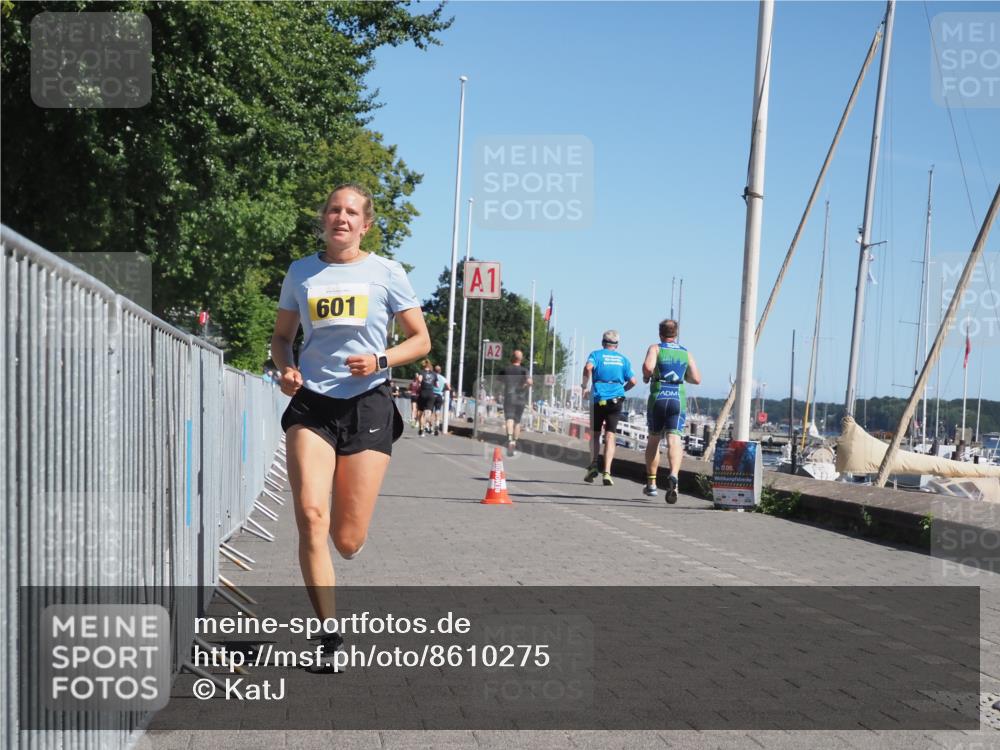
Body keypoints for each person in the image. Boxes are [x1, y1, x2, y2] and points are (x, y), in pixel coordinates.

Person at [270, 183, 430, 672]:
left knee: (347, 539)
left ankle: (348, 539)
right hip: (312, 405)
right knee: (311, 517)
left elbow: (420, 339)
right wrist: (285, 367)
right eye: (334, 209)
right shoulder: (302, 271)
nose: (341, 218)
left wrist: (381, 357)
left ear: (366, 224)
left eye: (352, 212)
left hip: (367, 405)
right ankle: (328, 636)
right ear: (324, 218)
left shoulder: (386, 273)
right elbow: (281, 337)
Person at [642, 319, 701, 502]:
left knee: (654, 441)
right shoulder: (686, 353)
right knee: (674, 440)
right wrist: (684, 378)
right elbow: (697, 379)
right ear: (676, 334)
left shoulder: (656, 348)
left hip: (659, 397)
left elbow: (648, 367)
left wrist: (647, 377)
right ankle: (674, 475)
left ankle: (651, 485)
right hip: (677, 398)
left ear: (661, 334)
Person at [581, 330, 636, 485]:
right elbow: (633, 381)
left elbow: (588, 367)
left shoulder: (596, 355)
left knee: (595, 434)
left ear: (602, 342)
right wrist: (621, 390)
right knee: (611, 435)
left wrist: (584, 386)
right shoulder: (623, 360)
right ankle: (607, 472)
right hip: (616, 399)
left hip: (598, 397)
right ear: (617, 345)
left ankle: (593, 464)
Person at [497, 349, 532, 456]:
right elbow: (530, 382)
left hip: (509, 397)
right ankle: (514, 442)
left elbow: (499, 381)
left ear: (512, 358)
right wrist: (523, 387)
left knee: (509, 419)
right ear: (521, 359)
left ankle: (509, 439)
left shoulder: (506, 369)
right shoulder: (524, 370)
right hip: (521, 398)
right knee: (517, 421)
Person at [416, 359, 437, 436]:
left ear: (423, 366)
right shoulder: (434, 374)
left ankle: (421, 429)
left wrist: (418, 380)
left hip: (423, 393)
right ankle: (427, 426)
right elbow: (436, 385)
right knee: (428, 413)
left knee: (421, 412)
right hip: (430, 394)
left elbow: (419, 380)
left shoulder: (421, 372)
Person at [431, 364, 450, 436]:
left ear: (434, 370)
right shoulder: (443, 378)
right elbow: (449, 388)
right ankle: (437, 424)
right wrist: (442, 389)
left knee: (431, 411)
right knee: (437, 411)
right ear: (440, 371)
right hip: (439, 395)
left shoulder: (432, 377)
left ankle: (431, 427)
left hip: (432, 395)